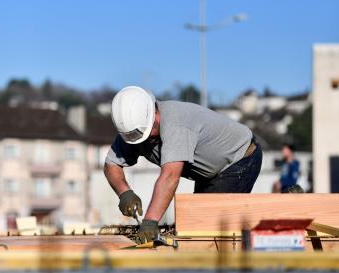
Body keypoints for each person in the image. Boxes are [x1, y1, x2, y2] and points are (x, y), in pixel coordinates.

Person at [104, 86, 263, 244]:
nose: (142, 140)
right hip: (209, 173)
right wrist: (124, 193)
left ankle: (284, 206)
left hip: (239, 158)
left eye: (145, 133)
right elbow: (111, 164)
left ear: (154, 113)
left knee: (208, 227)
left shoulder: (176, 123)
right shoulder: (133, 130)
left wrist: (150, 222)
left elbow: (170, 177)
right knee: (198, 227)